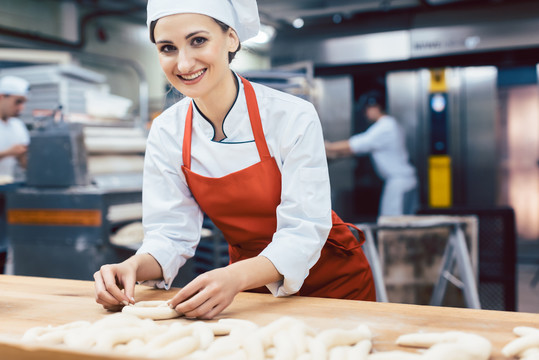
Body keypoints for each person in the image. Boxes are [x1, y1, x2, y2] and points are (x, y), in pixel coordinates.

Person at [94, 0, 375, 320]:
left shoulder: (290, 115)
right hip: (249, 287)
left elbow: (304, 230)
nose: (184, 64)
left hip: (335, 281)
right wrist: (131, 265)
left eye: (198, 40)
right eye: (167, 48)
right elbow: (170, 235)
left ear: (231, 38)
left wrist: (235, 277)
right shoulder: (166, 131)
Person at [325, 90, 418, 217]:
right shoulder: (392, 124)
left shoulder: (385, 127)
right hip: (404, 181)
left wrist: (327, 146)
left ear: (375, 107)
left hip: (399, 183)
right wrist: (335, 154)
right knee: (401, 223)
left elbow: (356, 144)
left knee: (393, 226)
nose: (365, 113)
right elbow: (358, 149)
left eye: (366, 109)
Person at [0, 75, 30, 182]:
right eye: (18, 101)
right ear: (2, 97)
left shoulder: (18, 126)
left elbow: (25, 164)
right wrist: (8, 153)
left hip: (6, 186)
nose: (21, 107)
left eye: (23, 103)